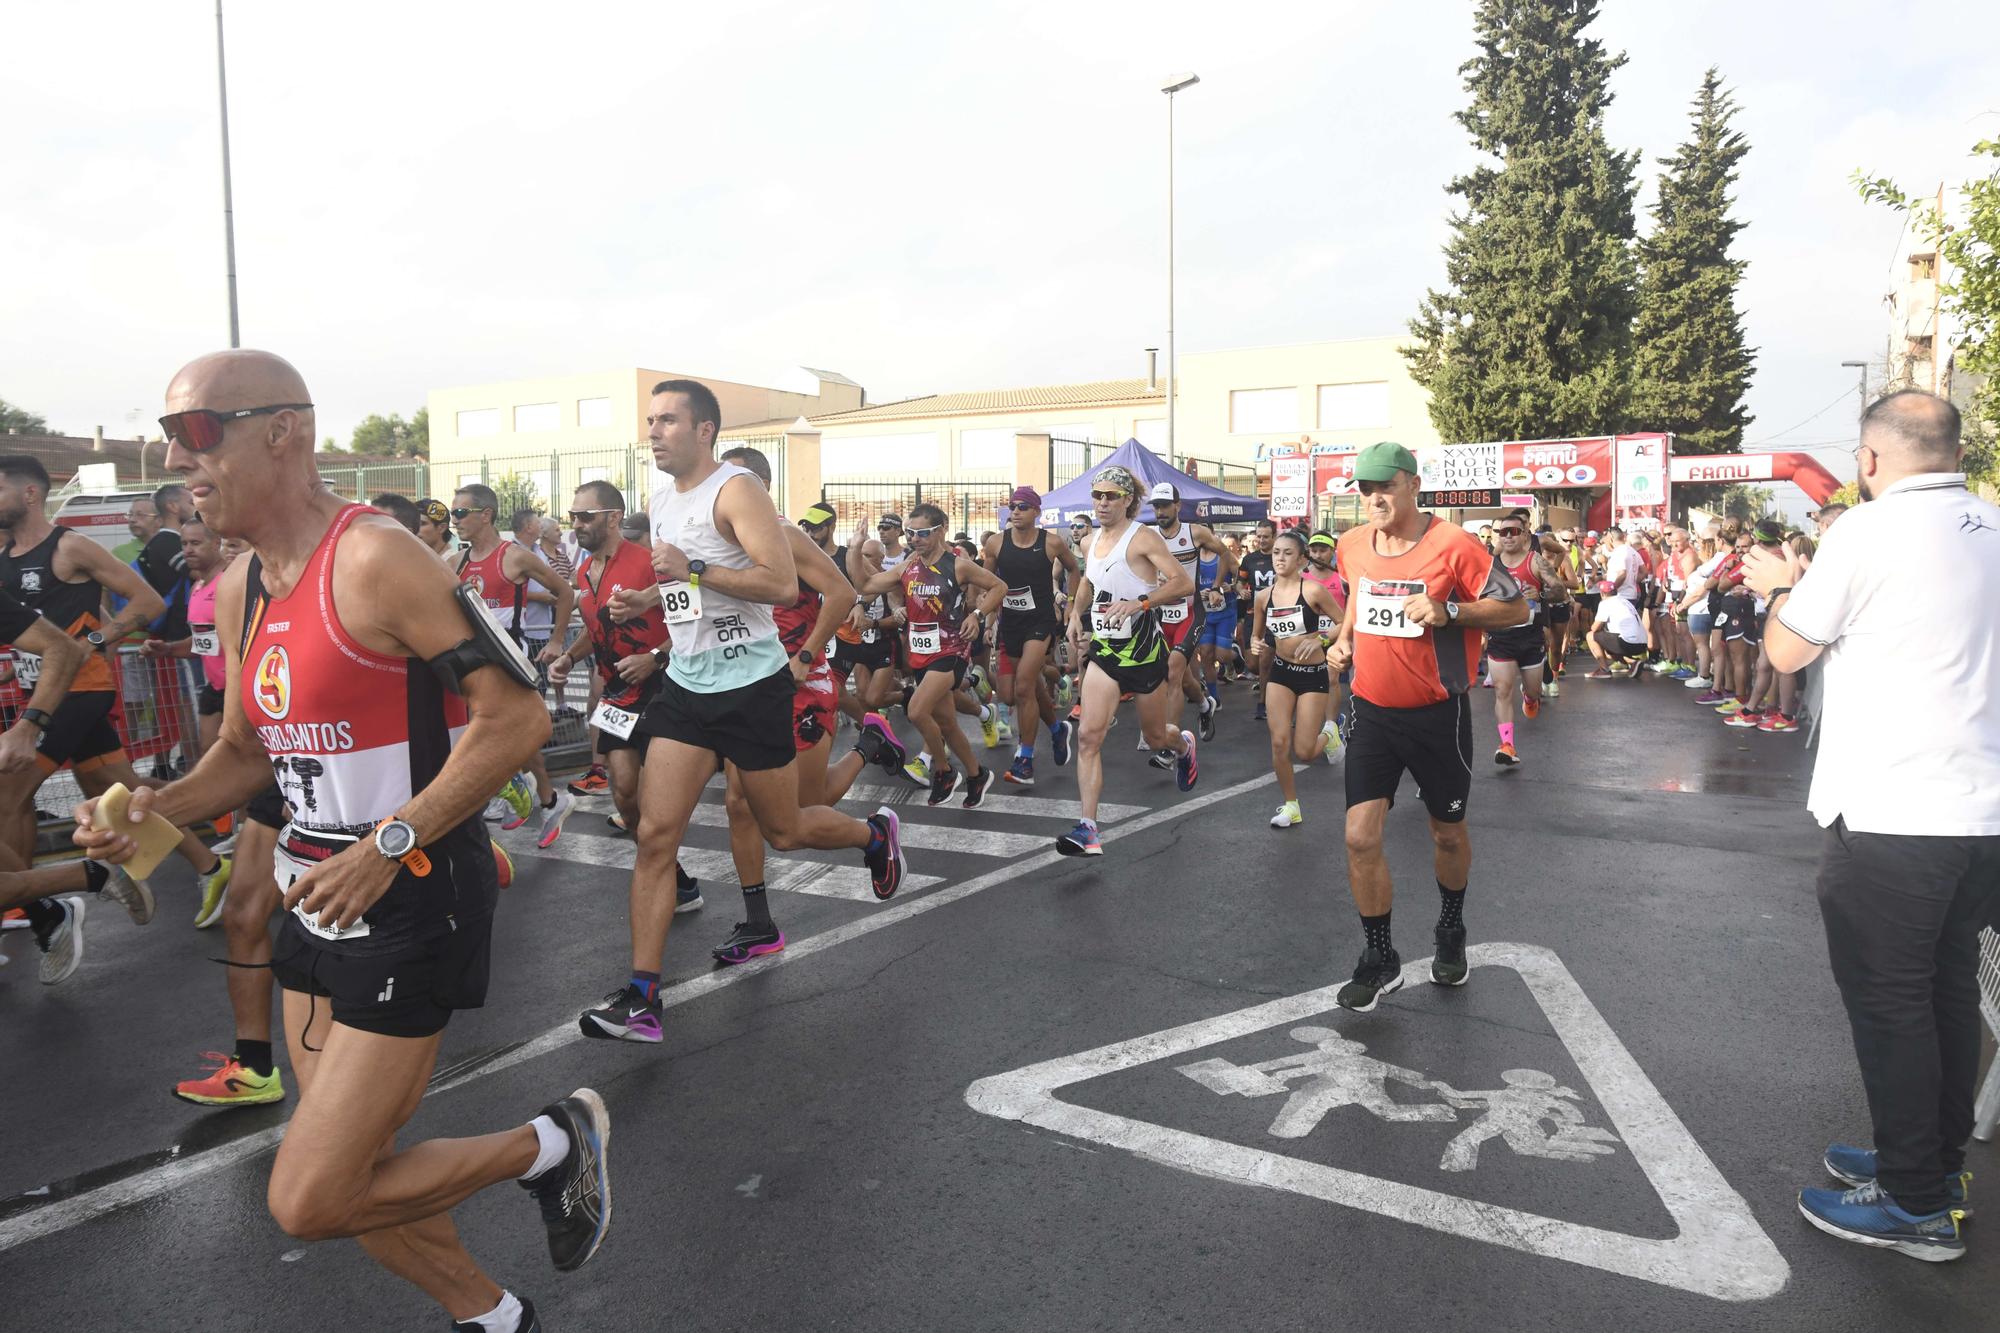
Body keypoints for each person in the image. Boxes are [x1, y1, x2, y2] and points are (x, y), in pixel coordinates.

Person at [78, 349, 610, 1331]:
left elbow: (518, 719)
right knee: (360, 1173)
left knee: (309, 1195)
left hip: (409, 890)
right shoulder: (240, 585)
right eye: (168, 435)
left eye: (197, 431)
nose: (179, 459)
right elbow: (244, 753)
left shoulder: (374, 557)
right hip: (310, 893)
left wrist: (387, 841)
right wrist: (156, 809)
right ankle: (493, 1318)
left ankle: (549, 1141)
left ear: (286, 430)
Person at [1743, 390, 2000, 1261]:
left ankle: (1915, 1202)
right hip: (1980, 814)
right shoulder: (1993, 526)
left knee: (1893, 1005)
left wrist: (1780, 589)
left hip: (1895, 812)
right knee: (1946, 991)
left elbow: (1786, 649)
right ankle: (1932, 1163)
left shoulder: (1867, 530)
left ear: (1872, 458)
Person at [581, 379, 906, 1042]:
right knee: (654, 832)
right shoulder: (662, 500)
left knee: (782, 829)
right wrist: (650, 598)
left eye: (668, 419)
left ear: (704, 429)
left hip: (754, 687)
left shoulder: (737, 490)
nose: (654, 430)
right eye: (649, 419)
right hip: (690, 688)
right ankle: (643, 996)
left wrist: (694, 567)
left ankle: (873, 835)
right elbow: (683, 587)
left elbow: (781, 583)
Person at [1324, 443, 1524, 1011]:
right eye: (1363, 489)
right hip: (1372, 711)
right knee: (1359, 836)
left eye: (1384, 485)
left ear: (1413, 484)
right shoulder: (1350, 546)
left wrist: (1451, 611)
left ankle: (1450, 928)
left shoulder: (1454, 545)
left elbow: (1517, 610)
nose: (1373, 498)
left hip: (1439, 714)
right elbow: (1357, 610)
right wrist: (1342, 643)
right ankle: (1380, 957)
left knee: (1447, 834)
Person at [0, 457, 232, 920]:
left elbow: (146, 601)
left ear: (29, 494)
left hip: (81, 689)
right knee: (121, 790)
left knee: (8, 790)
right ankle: (212, 865)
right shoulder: (5, 556)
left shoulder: (70, 546)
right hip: (43, 691)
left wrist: (97, 641)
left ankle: (33, 908)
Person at [1055, 466, 1198, 856]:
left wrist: (1141, 603)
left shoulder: (1143, 538)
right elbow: (1088, 582)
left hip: (1145, 654)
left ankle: (1183, 746)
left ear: (1128, 500)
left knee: (1155, 738)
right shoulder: (1089, 542)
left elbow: (1184, 583)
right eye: (1097, 495)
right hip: (1105, 652)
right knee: (1088, 736)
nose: (1102, 502)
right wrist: (1073, 615)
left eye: (1111, 496)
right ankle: (1088, 828)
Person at [858, 501, 1007, 808]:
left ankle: (943, 770)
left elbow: (998, 587)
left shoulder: (958, 564)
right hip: (921, 654)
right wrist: (853, 550)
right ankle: (977, 775)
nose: (914, 539)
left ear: (940, 531)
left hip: (951, 650)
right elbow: (867, 584)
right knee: (947, 723)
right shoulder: (908, 565)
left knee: (915, 710)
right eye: (910, 533)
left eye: (922, 533)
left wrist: (977, 615)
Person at [453, 484, 576, 848]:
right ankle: (550, 800)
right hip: (474, 663)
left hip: (511, 660)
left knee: (507, 735)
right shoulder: (456, 561)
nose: (456, 520)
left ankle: (517, 787)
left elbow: (565, 593)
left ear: (485, 514)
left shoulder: (515, 556)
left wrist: (556, 642)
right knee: (512, 737)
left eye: (461, 513)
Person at [983, 486, 1078, 786]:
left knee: (1025, 685)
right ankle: (1056, 729)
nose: (1016, 511)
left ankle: (1025, 759)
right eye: (1012, 506)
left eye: (1023, 506)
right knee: (1014, 693)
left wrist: (1071, 605)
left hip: (1040, 622)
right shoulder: (996, 544)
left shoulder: (1050, 542)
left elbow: (1075, 570)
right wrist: (987, 622)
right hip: (1010, 622)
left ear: (1037, 511)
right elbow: (987, 584)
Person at [1250, 531, 1343, 829]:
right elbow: (1256, 634)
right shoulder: (1264, 596)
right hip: (1281, 672)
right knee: (1279, 743)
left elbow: (1344, 623)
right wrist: (1255, 644)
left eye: (1287, 553)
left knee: (1304, 751)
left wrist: (1322, 641)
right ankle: (1291, 805)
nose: (1279, 558)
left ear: (1302, 559)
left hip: (1312, 675)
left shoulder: (1314, 591)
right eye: (1276, 552)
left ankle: (1330, 733)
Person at [1145, 483, 1236, 764]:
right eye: (1156, 506)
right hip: (1161, 613)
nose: (1160, 511)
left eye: (1164, 505)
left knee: (1174, 668)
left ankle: (1168, 747)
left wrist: (1219, 586)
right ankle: (1204, 703)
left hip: (1190, 612)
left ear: (1177, 506)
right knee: (1182, 678)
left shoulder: (1195, 532)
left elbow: (1226, 554)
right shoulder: (1147, 537)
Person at [1483, 512, 1547, 766]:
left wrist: (1541, 593)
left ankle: (1530, 697)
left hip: (1530, 636)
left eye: (1513, 531)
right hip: (1501, 635)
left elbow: (1563, 590)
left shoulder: (1536, 561)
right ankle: (1507, 744)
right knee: (1502, 690)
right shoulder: (1489, 564)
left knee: (1533, 691)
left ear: (1525, 535)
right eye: (1503, 532)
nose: (1507, 536)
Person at [1237, 520, 1277, 720]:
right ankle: (1274, 681)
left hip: (1276, 615)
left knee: (1265, 661)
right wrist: (1241, 590)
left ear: (1274, 537)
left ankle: (1263, 703)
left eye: (1266, 536)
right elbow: (1240, 581)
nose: (1261, 540)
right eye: (1259, 536)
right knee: (1253, 664)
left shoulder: (1280, 557)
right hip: (1253, 613)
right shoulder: (1249, 560)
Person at [1584, 580, 1648, 678]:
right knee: (1607, 642)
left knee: (1590, 636)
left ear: (1602, 594)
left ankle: (1604, 670)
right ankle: (1633, 662)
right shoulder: (1625, 601)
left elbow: (1595, 628)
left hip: (1627, 642)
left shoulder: (1606, 603)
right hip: (1642, 644)